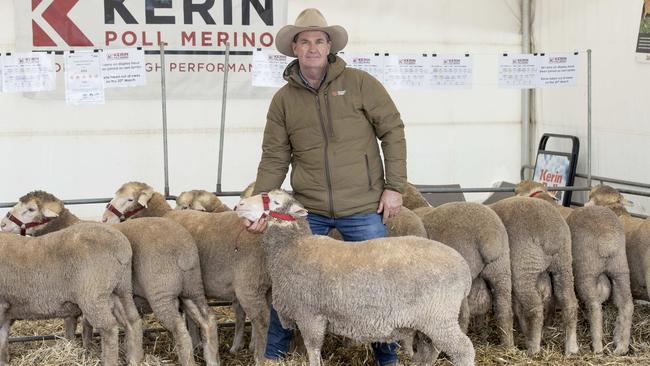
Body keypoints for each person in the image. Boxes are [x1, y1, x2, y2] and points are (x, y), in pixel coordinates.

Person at [244, 8, 407, 366]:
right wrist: (262, 206)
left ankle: (388, 359)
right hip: (309, 209)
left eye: (319, 40)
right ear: (295, 48)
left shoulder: (361, 83)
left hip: (363, 205)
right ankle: (274, 357)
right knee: (288, 285)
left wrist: (395, 186)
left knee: (377, 283)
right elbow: (274, 158)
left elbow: (392, 131)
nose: (313, 47)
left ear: (329, 46)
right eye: (305, 41)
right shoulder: (283, 101)